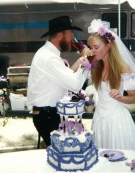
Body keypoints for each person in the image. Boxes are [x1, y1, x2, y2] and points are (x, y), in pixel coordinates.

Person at [27, 15, 90, 147]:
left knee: (60, 153)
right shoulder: (49, 58)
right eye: (71, 33)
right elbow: (75, 84)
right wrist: (86, 60)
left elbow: (66, 76)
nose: (73, 38)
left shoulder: (49, 54)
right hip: (47, 116)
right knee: (63, 153)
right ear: (60, 35)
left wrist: (80, 61)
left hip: (49, 114)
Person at [86, 19, 135, 154]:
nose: (93, 51)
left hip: (117, 122)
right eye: (91, 47)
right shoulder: (95, 67)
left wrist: (121, 98)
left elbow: (134, 98)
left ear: (108, 47)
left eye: (96, 47)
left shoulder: (123, 68)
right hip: (100, 120)